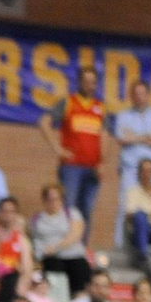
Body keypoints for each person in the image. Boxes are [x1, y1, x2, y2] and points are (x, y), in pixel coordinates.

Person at [38, 67, 105, 235]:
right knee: (68, 208)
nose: (89, 85)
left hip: (93, 167)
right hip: (71, 168)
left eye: (92, 82)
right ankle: (65, 246)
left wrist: (102, 162)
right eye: (86, 81)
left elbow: (105, 135)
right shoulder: (68, 102)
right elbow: (44, 122)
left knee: (86, 211)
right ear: (79, 82)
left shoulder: (100, 107)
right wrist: (56, 148)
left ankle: (81, 250)